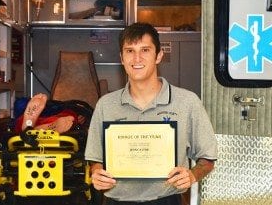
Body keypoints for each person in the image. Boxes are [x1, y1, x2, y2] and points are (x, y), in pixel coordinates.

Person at [84, 22, 217, 205]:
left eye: (145, 50)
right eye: (130, 51)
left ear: (159, 55)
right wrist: (96, 172)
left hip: (167, 200)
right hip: (116, 200)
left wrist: (192, 175)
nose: (137, 58)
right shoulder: (106, 105)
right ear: (121, 58)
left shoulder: (187, 102)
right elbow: (95, 159)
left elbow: (208, 158)